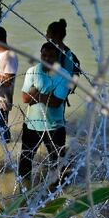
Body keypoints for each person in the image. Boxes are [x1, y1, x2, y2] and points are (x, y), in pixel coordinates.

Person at [18, 42, 71, 181]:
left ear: (58, 57)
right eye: (44, 55)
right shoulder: (33, 71)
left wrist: (36, 92)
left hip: (55, 126)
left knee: (59, 164)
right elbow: (24, 98)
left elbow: (55, 102)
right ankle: (23, 192)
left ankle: (58, 194)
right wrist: (47, 94)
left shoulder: (64, 75)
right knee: (25, 162)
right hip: (32, 124)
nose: (47, 59)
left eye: (51, 56)